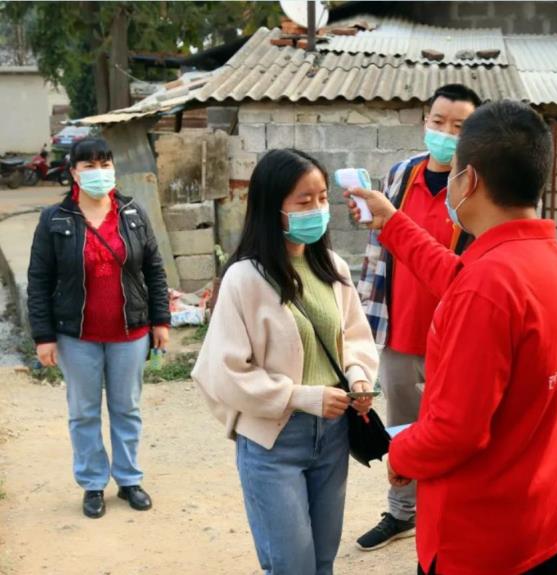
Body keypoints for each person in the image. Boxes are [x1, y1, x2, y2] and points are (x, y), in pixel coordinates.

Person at [347, 100, 557, 575]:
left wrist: (401, 454)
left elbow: (456, 432)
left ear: (469, 180)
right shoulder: (556, 260)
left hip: (476, 537)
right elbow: (458, 277)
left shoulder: (488, 286)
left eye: (454, 169)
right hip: (533, 519)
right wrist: (393, 222)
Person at [192, 149, 378, 575]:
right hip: (273, 440)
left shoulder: (332, 266)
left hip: (333, 434)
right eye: (304, 201)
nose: (317, 209)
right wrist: (301, 397)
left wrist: (358, 377)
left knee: (323, 560)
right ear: (272, 208)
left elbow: (353, 336)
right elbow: (225, 372)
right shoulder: (244, 278)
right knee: (291, 565)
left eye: (322, 198)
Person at [356, 83, 482, 551]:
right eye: (438, 121)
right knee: (404, 427)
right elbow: (379, 245)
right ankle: (401, 511)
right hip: (402, 327)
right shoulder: (401, 174)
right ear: (424, 121)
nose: (446, 133)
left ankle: (453, 513)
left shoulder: (476, 187)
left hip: (456, 334)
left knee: (456, 429)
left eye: (459, 126)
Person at [26, 137, 170, 519]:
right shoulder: (55, 220)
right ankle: (92, 483)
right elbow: (39, 281)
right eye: (89, 165)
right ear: (73, 172)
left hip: (130, 333)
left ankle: (129, 479)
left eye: (105, 163)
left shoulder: (133, 214)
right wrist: (43, 336)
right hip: (76, 337)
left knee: (127, 409)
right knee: (84, 412)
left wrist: (161, 320)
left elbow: (154, 270)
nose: (98, 172)